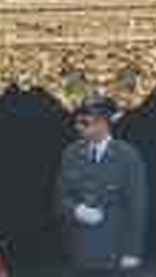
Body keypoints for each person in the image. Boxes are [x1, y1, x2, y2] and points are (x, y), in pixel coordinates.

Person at [54, 96, 148, 274]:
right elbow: (60, 197)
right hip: (79, 251)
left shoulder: (127, 156)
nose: (78, 127)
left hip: (114, 252)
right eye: (77, 122)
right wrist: (76, 210)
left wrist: (132, 251)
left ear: (103, 124)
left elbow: (137, 207)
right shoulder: (72, 153)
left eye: (85, 122)